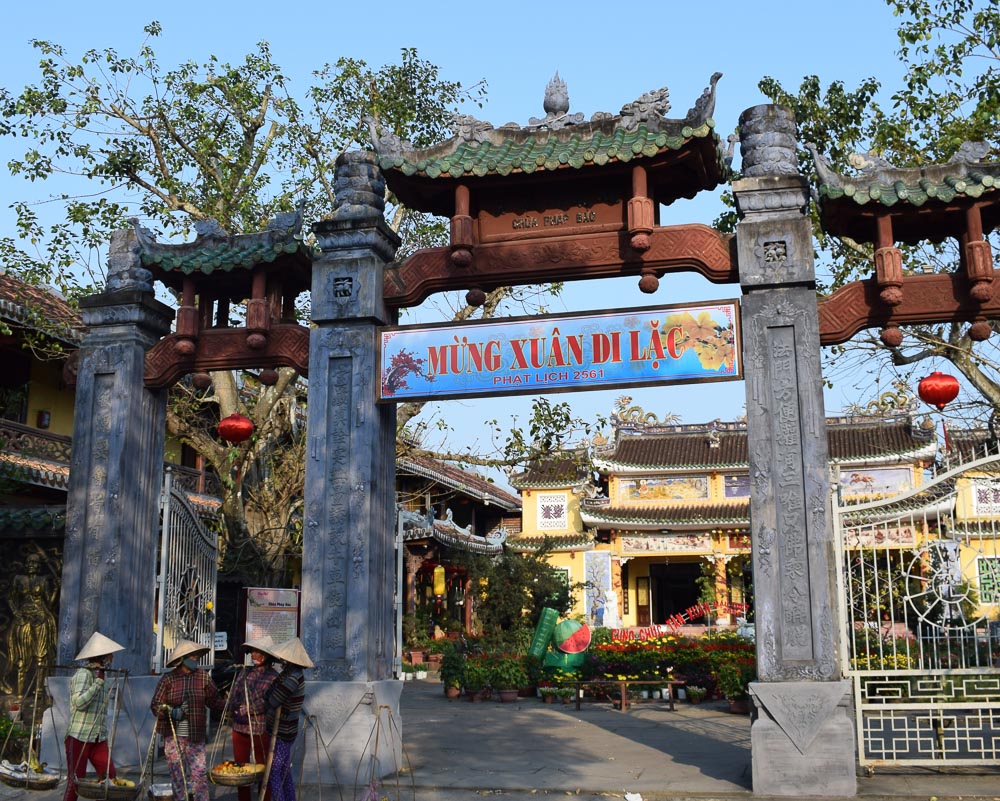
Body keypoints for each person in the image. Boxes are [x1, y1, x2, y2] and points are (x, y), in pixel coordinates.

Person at [150, 639, 225, 801]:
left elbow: (214, 701)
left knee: (198, 774)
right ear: (183, 659)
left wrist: (229, 706)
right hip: (173, 735)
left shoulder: (203, 677)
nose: (196, 659)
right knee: (177, 774)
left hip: (195, 735)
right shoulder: (168, 679)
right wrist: (170, 711)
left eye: (197, 656)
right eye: (192, 656)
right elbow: (155, 705)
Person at [64, 631, 124, 801]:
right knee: (75, 781)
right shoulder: (84, 674)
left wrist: (101, 679)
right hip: (79, 736)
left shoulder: (102, 675)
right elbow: (79, 703)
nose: (112, 658)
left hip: (98, 737)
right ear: (102, 657)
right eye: (110, 654)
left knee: (110, 776)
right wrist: (97, 683)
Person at [230, 636, 279, 801]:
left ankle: (264, 797)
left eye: (258, 652)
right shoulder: (245, 672)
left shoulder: (273, 677)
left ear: (267, 656)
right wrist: (237, 706)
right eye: (253, 651)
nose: (254, 655)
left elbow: (270, 701)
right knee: (241, 769)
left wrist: (251, 709)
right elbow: (234, 694)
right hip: (240, 727)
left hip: (260, 728)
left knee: (262, 769)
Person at [265, 637, 311, 801]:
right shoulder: (287, 674)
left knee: (275, 770)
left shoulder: (293, 677)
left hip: (284, 730)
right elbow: (270, 691)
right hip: (281, 728)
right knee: (283, 769)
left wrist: (270, 695)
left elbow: (273, 699)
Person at [7, 552, 58, 698]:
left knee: (41, 657)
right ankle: (19, 696)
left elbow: (48, 603)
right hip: (23, 618)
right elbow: (11, 598)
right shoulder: (18, 579)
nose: (31, 565)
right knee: (22, 659)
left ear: (39, 566)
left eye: (34, 562)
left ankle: (40, 692)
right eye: (29, 562)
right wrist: (16, 612)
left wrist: (55, 589)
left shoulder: (43, 581)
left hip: (40, 618)